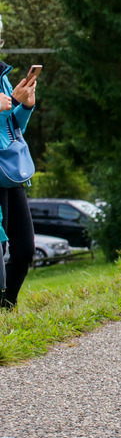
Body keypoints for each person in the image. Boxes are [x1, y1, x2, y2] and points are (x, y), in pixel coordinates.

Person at [0, 27, 38, 310]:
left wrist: (23, 106)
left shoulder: (2, 76)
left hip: (9, 171)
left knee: (24, 250)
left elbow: (12, 128)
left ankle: (6, 307)